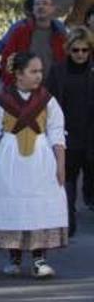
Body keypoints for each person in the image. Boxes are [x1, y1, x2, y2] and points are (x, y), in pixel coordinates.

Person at [0, 51, 67, 278]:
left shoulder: (48, 101)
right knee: (13, 205)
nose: (39, 76)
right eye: (33, 71)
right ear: (19, 74)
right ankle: (15, 257)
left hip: (40, 159)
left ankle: (39, 260)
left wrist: (60, 166)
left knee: (38, 206)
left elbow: (57, 136)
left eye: (40, 71)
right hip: (10, 160)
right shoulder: (1, 102)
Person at [44, 28, 94, 235]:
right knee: (67, 181)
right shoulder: (58, 71)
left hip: (91, 134)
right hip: (66, 135)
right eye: (76, 50)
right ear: (68, 49)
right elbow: (47, 100)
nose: (81, 54)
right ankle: (68, 222)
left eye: (85, 49)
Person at [0, 0, 67, 80]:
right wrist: (14, 85)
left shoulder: (60, 36)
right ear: (33, 9)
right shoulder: (20, 33)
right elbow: (6, 61)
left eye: (45, 3)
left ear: (52, 8)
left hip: (53, 90)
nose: (41, 7)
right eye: (37, 4)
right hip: (25, 90)